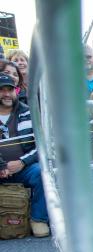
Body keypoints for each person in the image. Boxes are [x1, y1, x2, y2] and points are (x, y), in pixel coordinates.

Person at [0, 73, 47, 237]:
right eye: (2, 90)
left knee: (42, 172)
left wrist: (22, 162)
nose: (6, 94)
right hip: (1, 167)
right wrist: (2, 165)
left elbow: (43, 144)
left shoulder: (29, 112)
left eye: (10, 90)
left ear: (16, 91)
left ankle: (38, 219)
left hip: (23, 167)